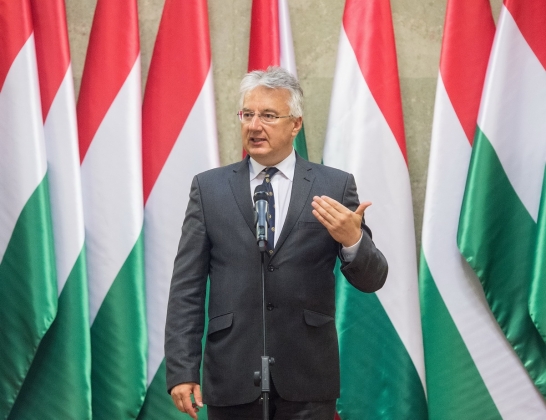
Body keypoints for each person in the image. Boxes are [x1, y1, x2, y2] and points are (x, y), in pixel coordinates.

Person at [165, 66, 388, 420]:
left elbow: (372, 279)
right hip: (232, 375)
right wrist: (182, 368)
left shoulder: (333, 185)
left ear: (295, 124)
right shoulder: (209, 189)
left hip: (307, 378)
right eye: (247, 114)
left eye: (268, 116)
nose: (254, 126)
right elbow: (186, 287)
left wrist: (353, 241)